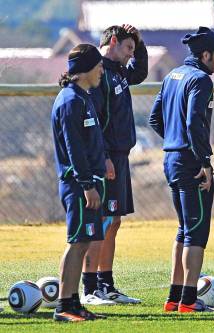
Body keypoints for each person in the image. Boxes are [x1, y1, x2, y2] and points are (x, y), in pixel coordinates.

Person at [149, 26, 214, 313]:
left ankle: (175, 297)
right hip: (191, 162)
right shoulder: (201, 80)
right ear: (205, 54)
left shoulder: (172, 75)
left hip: (171, 160)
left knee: (184, 229)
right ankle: (190, 301)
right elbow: (194, 122)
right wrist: (204, 161)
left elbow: (155, 119)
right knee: (196, 231)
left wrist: (173, 141)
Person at [81, 24, 148, 305]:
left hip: (121, 157)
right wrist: (105, 156)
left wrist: (140, 44)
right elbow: (94, 120)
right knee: (101, 222)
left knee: (114, 221)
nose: (131, 55)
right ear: (113, 41)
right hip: (106, 159)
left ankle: (107, 285)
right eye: (128, 48)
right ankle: (89, 289)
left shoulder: (119, 70)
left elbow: (141, 73)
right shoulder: (99, 73)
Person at [51, 43, 106, 321]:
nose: (101, 71)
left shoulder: (82, 96)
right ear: (84, 69)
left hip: (89, 182)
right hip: (78, 185)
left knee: (84, 241)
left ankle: (74, 303)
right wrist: (87, 184)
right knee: (77, 241)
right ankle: (64, 306)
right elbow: (74, 148)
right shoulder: (70, 100)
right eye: (98, 66)